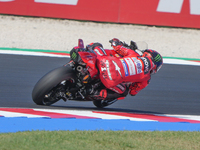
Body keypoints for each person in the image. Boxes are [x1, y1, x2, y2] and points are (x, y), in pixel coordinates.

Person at [85, 38, 163, 100]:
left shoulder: (133, 54)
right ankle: (91, 91)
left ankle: (84, 54)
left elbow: (117, 46)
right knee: (124, 92)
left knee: (96, 45)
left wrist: (115, 41)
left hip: (104, 61)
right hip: (110, 80)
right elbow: (133, 92)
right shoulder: (146, 79)